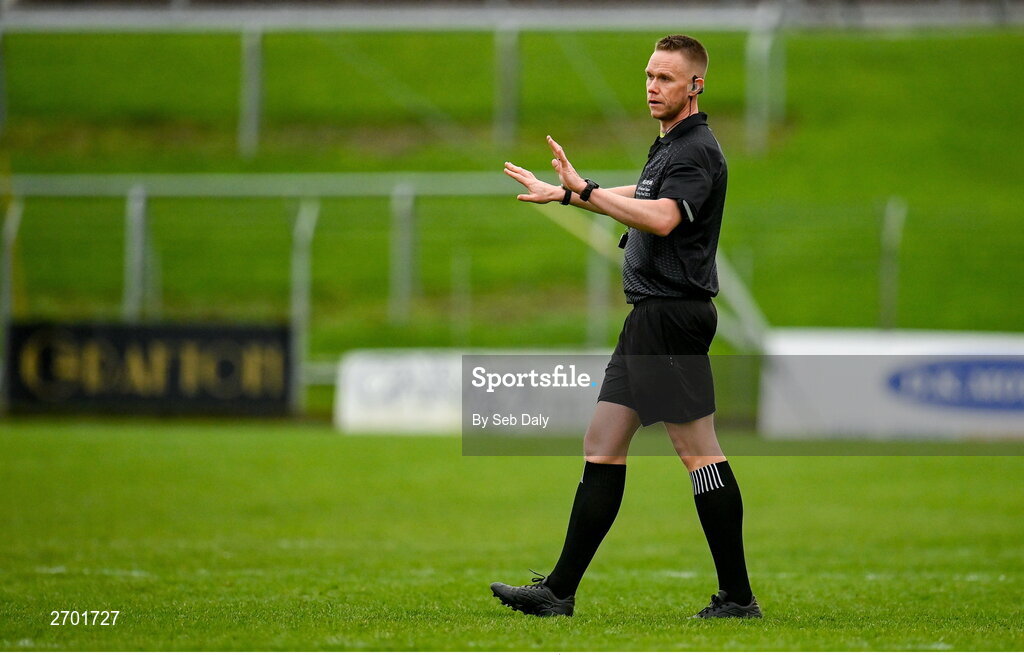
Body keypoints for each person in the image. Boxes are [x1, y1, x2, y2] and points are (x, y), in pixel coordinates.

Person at [490, 34, 761, 620]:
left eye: (665, 78)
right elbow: (639, 195)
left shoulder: (695, 150)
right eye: (648, 75)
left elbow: (662, 217)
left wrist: (582, 190)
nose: (652, 86)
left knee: (699, 454)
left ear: (696, 85)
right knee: (603, 445)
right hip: (650, 321)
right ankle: (558, 592)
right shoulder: (671, 145)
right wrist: (566, 192)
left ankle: (737, 598)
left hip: (671, 319)